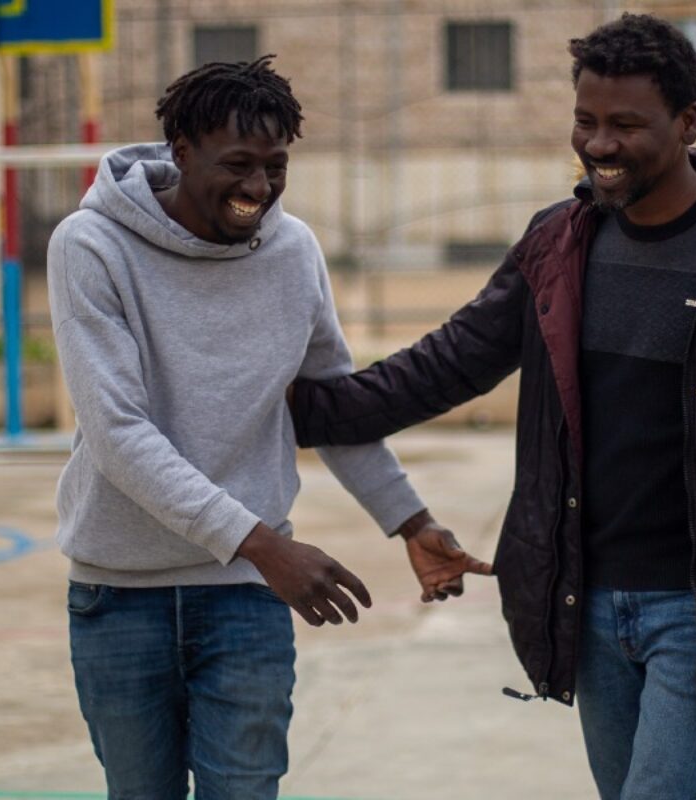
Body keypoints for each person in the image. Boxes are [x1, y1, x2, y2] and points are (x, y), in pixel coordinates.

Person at [288, 15, 696, 799]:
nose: (599, 144)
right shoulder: (559, 243)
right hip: (586, 604)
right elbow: (445, 366)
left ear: (688, 123)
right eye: (586, 121)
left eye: (626, 125)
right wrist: (293, 413)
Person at [46, 55, 489, 799]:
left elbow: (328, 407)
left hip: (245, 598)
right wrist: (264, 544)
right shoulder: (91, 247)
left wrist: (409, 521)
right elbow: (119, 433)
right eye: (238, 165)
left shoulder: (294, 253)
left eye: (276, 166)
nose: (258, 188)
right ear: (181, 152)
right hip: (120, 596)